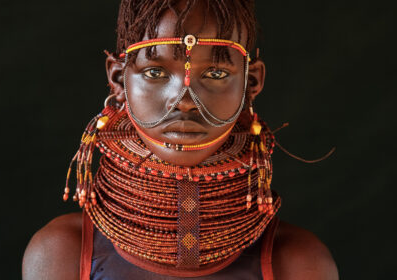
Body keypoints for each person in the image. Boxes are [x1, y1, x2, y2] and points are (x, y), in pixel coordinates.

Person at [22, 0, 339, 279]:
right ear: (118, 79)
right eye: (155, 72)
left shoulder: (298, 263)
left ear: (250, 82)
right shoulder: (60, 254)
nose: (184, 100)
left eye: (215, 73)